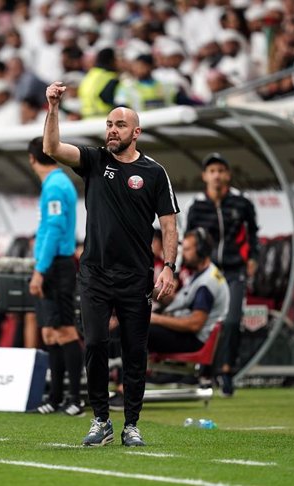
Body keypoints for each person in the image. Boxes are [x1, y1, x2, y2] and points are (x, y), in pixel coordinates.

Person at [43, 81, 179, 447]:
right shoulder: (94, 160)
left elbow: (169, 223)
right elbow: (52, 147)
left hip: (136, 277)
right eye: (108, 124)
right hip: (94, 274)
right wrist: (53, 109)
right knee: (96, 343)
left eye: (119, 125)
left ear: (136, 132)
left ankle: (131, 424)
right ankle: (100, 420)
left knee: (135, 351)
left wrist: (169, 266)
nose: (111, 130)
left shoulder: (154, 172)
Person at [185, 153, 259, 397]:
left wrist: (252, 259)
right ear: (205, 176)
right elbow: (190, 238)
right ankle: (205, 370)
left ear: (228, 175)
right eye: (212, 171)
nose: (216, 175)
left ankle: (226, 372)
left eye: (221, 170)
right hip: (208, 273)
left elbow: (253, 235)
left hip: (234, 270)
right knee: (206, 322)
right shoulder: (197, 205)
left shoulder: (242, 203)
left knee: (231, 320)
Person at [27, 136, 84, 417]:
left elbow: (54, 229)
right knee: (50, 331)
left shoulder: (56, 186)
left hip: (57, 265)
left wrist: (40, 270)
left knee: (64, 330)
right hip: (52, 264)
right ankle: (57, 396)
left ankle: (75, 398)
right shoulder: (58, 183)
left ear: (31, 159)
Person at [149, 228, 229, 354]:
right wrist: (151, 291)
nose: (183, 254)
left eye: (187, 250)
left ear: (201, 251)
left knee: (138, 328)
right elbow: (181, 301)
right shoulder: (203, 274)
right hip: (189, 335)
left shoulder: (206, 284)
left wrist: (155, 318)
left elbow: (194, 324)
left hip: (194, 341)